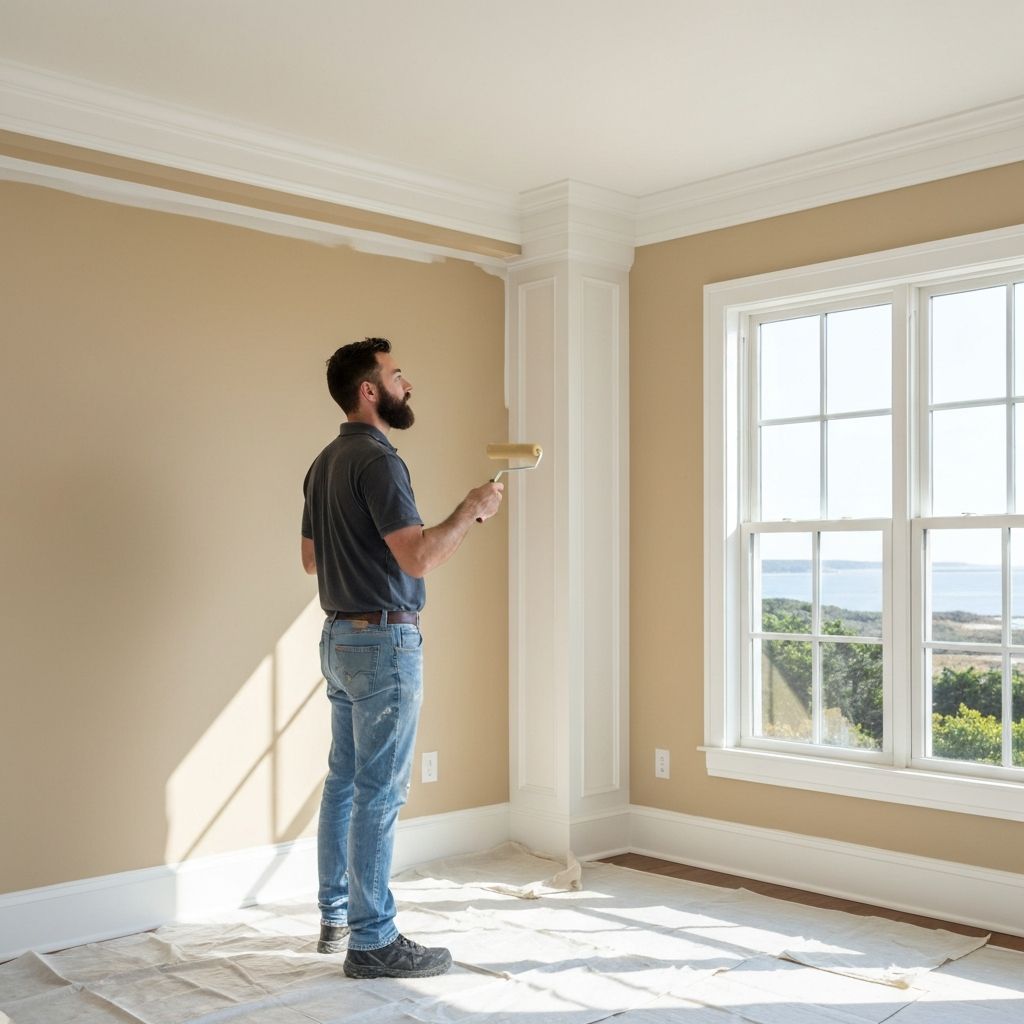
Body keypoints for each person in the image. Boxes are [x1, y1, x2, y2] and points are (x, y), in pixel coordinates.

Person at [300, 337, 503, 979]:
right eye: (396, 374)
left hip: (337, 639)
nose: (406, 384)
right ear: (370, 390)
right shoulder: (379, 461)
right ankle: (374, 941)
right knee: (378, 794)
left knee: (344, 782)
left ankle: (337, 916)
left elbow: (311, 560)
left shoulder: (325, 461)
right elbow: (418, 556)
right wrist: (471, 510)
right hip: (384, 642)